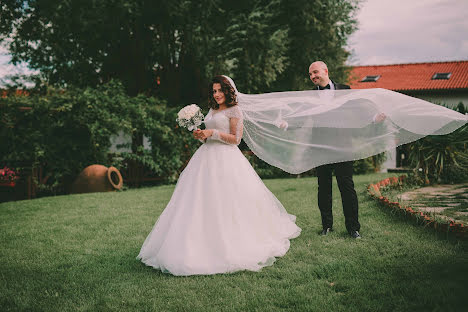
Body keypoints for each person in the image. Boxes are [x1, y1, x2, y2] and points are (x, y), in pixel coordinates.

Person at [137, 75, 301, 276]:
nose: (216, 94)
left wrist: (212, 133)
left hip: (227, 160)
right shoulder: (212, 109)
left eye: (220, 90)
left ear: (228, 91)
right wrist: (201, 136)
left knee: (227, 202)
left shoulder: (235, 110)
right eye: (214, 91)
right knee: (198, 201)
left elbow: (235, 139)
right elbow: (208, 135)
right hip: (205, 158)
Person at [308, 61, 379, 239]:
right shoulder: (309, 96)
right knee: (323, 189)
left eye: (315, 72)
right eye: (310, 74)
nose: (313, 76)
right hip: (321, 148)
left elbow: (358, 112)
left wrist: (373, 118)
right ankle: (327, 226)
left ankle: (353, 228)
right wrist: (285, 125)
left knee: (347, 187)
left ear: (326, 71)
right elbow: (300, 116)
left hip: (343, 147)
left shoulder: (344, 89)